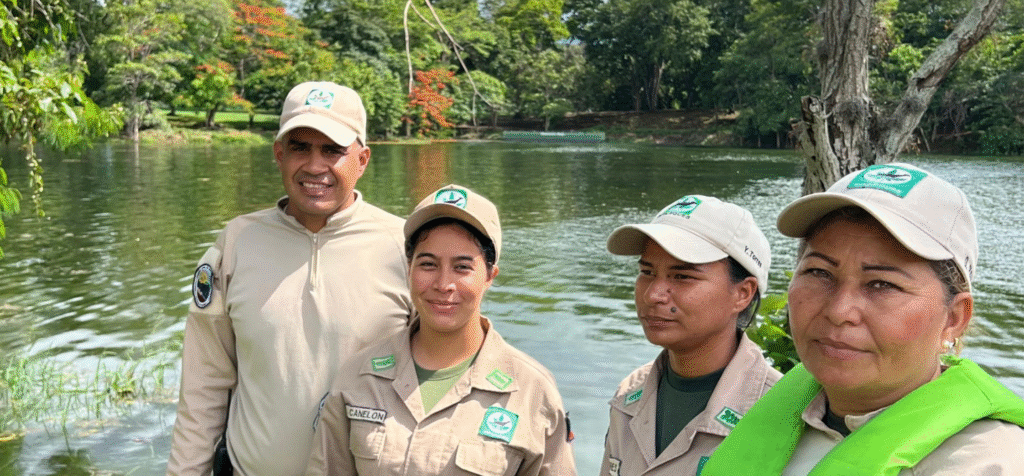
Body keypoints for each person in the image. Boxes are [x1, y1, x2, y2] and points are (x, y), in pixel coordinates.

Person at [702, 163, 1024, 475]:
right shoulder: (792, 407)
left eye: (882, 284)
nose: (839, 311)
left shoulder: (987, 462)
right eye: (819, 272)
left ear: (953, 318)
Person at [167, 81, 413, 476]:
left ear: (363, 159)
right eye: (300, 147)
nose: (315, 166)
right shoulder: (237, 242)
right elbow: (203, 386)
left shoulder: (406, 248)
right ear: (279, 154)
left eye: (333, 150)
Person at [305, 184, 577, 476]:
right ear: (408, 269)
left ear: (490, 276)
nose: (443, 284)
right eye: (428, 264)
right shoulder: (359, 376)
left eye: (462, 267)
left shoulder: (532, 391)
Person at [599, 195, 782, 475]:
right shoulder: (630, 395)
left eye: (682, 276)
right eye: (647, 272)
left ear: (742, 294)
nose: (653, 294)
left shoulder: (779, 413)